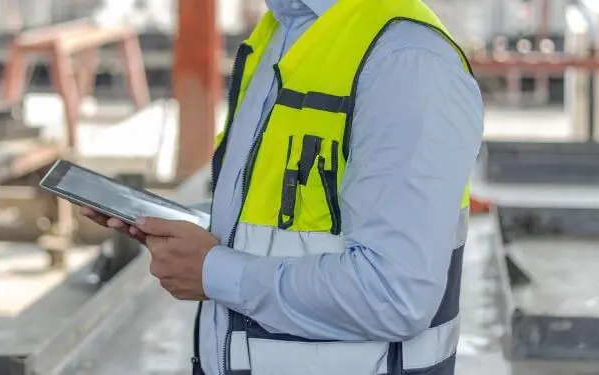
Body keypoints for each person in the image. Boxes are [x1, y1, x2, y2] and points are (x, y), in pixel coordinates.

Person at [81, 0, 483, 373]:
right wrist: (175, 225)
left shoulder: (407, 61)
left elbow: (395, 296)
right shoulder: (280, 31)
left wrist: (214, 271)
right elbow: (278, 217)